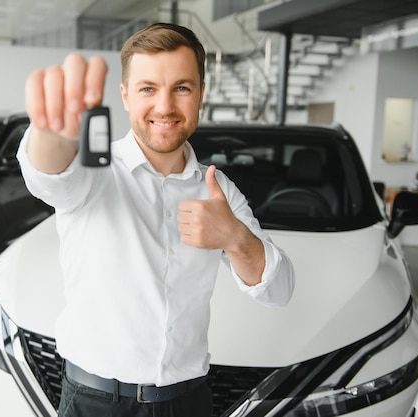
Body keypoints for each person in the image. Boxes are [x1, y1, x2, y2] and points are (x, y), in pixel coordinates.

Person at [18, 22, 294, 417]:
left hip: (188, 403)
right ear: (126, 96)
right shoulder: (94, 172)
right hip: (94, 404)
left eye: (181, 88)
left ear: (200, 95)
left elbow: (279, 290)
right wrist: (52, 134)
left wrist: (235, 237)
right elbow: (49, 178)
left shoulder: (218, 189)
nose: (165, 106)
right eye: (148, 88)